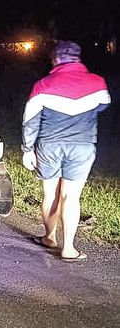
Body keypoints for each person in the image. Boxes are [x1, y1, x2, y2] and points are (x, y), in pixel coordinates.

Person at [22, 40, 110, 261]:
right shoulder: (98, 83)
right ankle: (69, 249)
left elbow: (30, 121)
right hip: (82, 146)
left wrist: (27, 150)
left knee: (50, 194)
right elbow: (103, 105)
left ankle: (49, 237)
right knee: (71, 196)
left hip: (49, 145)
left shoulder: (43, 85)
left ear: (55, 60)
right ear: (78, 58)